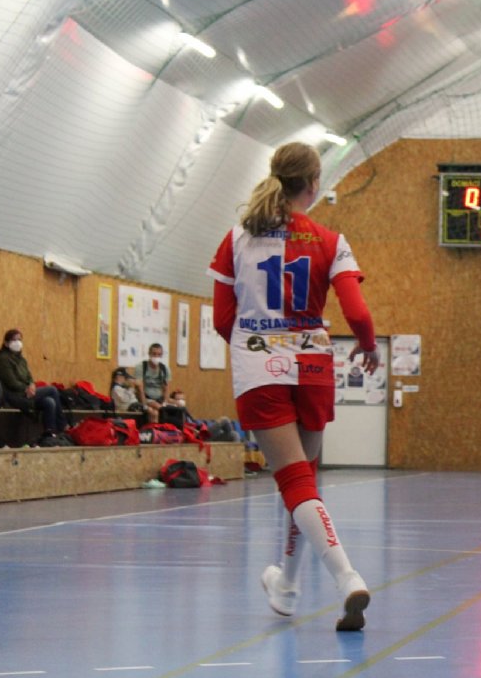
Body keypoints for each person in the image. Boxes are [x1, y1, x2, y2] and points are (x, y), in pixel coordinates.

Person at [208, 141, 379, 631]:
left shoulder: (237, 239)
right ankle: (286, 582)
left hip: (261, 370)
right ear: (314, 184)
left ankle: (346, 577)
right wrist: (368, 346)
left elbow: (222, 319)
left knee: (296, 484)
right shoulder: (330, 240)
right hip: (313, 367)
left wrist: (258, 347)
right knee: (305, 482)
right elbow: (357, 313)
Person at [0, 329, 67, 438]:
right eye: (14, 340)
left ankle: (50, 434)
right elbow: (11, 382)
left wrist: (32, 385)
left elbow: (29, 377)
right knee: (52, 390)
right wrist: (27, 388)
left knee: (49, 402)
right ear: (6, 343)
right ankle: (63, 426)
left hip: (26, 393)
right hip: (14, 395)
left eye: (19, 340)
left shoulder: (21, 360)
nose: (17, 342)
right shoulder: (2, 359)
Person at [134, 343, 169, 422]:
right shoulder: (141, 367)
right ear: (149, 354)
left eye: (159, 354)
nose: (156, 356)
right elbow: (140, 389)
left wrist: (165, 403)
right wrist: (144, 405)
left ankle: (156, 428)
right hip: (146, 398)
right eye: (154, 354)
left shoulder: (164, 369)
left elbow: (166, 389)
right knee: (155, 409)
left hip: (159, 399)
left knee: (155, 413)